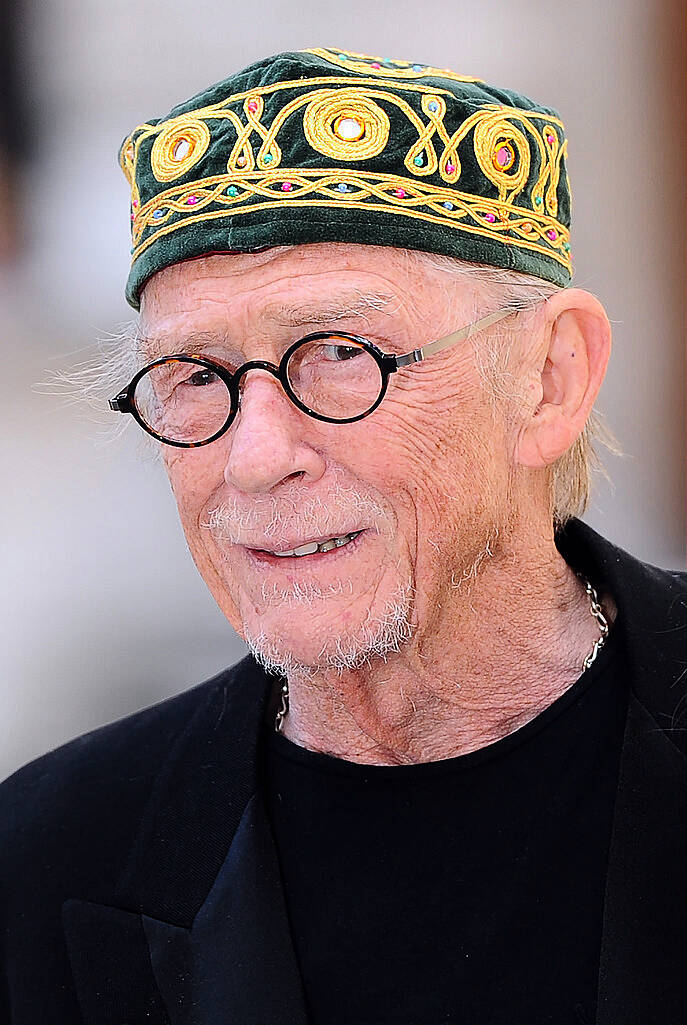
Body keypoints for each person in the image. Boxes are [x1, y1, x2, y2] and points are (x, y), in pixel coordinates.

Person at [1, 47, 685, 1025]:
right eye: (197, 376)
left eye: (338, 353)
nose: (255, 456)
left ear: (550, 379)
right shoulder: (46, 857)